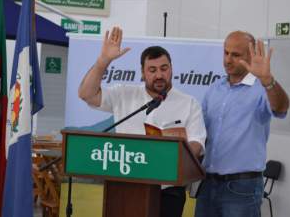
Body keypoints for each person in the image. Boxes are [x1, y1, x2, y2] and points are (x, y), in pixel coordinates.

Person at [78, 26, 207, 217]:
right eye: (152, 70)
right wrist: (103, 61)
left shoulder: (189, 103)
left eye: (164, 69)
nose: (159, 75)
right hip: (126, 187)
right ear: (143, 73)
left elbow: (196, 144)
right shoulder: (124, 94)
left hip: (169, 191)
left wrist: (177, 154)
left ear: (171, 69)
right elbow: (86, 94)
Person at [194, 31, 290, 217]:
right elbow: (201, 132)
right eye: (226, 52)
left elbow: (281, 107)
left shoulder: (261, 89)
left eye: (235, 55)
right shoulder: (215, 89)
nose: (228, 60)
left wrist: (268, 81)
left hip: (241, 189)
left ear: (251, 55)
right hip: (207, 184)